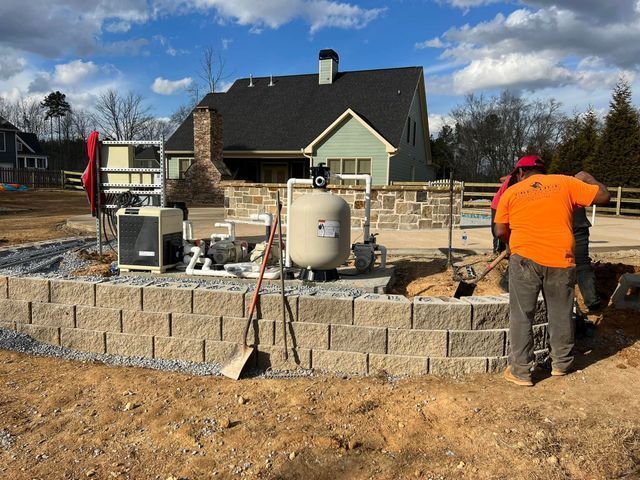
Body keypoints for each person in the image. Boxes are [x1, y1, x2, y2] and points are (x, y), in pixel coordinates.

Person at [494, 155, 610, 387]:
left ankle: (521, 371)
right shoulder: (565, 183)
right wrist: (588, 177)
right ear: (542, 171)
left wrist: (510, 243)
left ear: (519, 173)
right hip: (560, 258)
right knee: (560, 313)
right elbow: (604, 196)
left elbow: (499, 231)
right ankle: (562, 363)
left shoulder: (512, 192)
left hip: (524, 259)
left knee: (522, 315)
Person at [573, 207, 601, 312]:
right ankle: (592, 302)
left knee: (551, 264)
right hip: (578, 223)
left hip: (554, 223)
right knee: (582, 264)